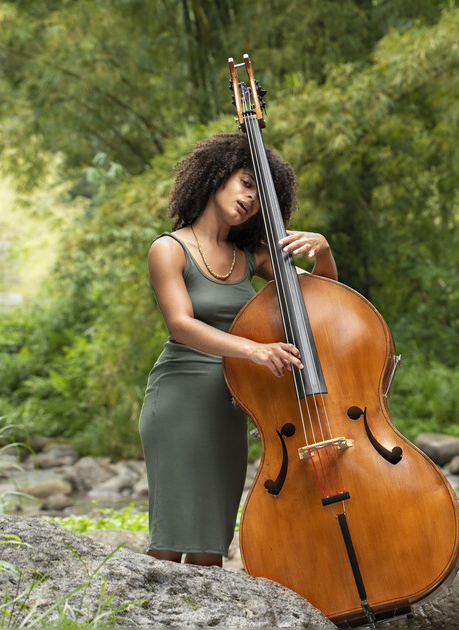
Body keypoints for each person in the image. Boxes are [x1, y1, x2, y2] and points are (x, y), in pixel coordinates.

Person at [139, 133, 338, 567]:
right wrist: (254, 349)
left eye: (258, 193)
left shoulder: (251, 256)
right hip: (178, 398)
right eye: (245, 182)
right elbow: (181, 325)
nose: (250, 197)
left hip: (231, 402)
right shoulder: (168, 249)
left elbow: (320, 301)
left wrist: (322, 252)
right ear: (216, 176)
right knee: (170, 539)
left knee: (212, 544)